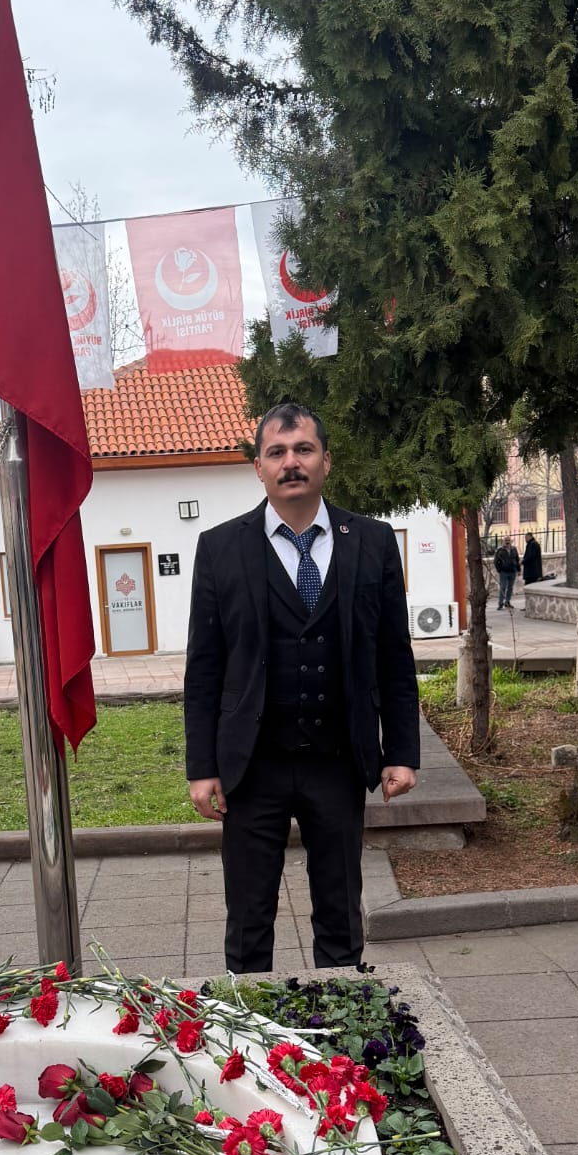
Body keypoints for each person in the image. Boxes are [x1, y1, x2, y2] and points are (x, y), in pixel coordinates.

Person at [184, 402, 420, 974]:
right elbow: (205, 665)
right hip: (252, 764)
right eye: (277, 453)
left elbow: (393, 654)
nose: (292, 463)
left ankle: (340, 1043)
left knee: (340, 914)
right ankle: (249, 1044)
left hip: (338, 761)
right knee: (247, 917)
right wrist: (202, 765)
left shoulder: (373, 542)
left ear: (325, 462)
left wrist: (402, 753)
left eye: (303, 450)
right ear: (259, 468)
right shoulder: (220, 548)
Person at [493, 535, 520, 609]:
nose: (507, 542)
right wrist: (499, 570)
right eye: (506, 540)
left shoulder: (514, 549)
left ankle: (507, 602)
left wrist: (518, 570)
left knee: (510, 588)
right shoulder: (500, 550)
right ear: (503, 542)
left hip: (512, 571)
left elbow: (517, 560)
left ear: (510, 541)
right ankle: (500, 603)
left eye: (508, 540)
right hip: (503, 572)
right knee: (503, 587)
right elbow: (495, 561)